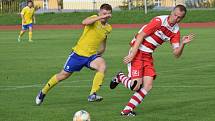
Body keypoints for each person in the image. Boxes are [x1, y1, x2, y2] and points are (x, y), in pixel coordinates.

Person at [110, 4, 194, 116]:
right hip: (138, 52)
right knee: (135, 86)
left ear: (182, 18)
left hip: (148, 55)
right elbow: (140, 36)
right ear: (171, 12)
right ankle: (120, 77)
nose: (176, 19)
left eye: (179, 17)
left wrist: (183, 44)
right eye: (175, 15)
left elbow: (176, 54)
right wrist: (133, 54)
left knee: (148, 85)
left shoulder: (175, 31)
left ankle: (126, 110)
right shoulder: (159, 21)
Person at [35, 4, 112, 105]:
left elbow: (103, 40)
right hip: (78, 54)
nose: (106, 16)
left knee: (102, 65)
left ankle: (92, 94)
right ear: (99, 13)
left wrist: (101, 51)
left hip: (91, 56)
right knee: (63, 75)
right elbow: (84, 22)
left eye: (108, 14)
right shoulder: (94, 19)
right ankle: (43, 92)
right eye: (104, 13)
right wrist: (100, 17)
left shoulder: (108, 28)